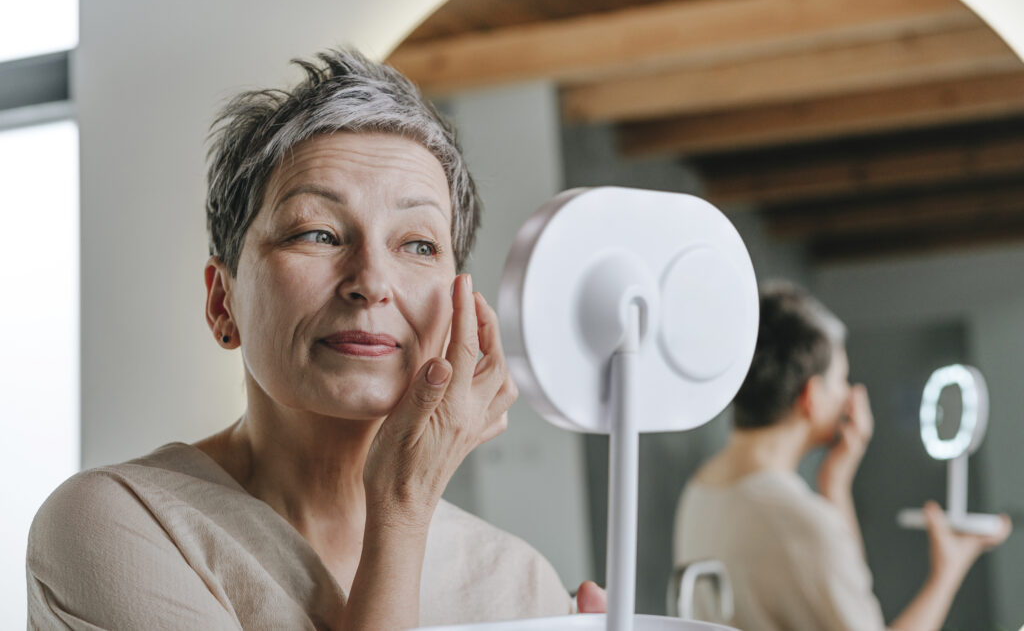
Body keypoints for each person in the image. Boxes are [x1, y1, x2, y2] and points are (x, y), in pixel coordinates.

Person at [27, 49, 605, 629]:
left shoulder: (521, 584)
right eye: (318, 233)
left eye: (418, 245)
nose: (373, 282)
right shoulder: (117, 525)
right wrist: (400, 512)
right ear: (222, 301)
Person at [672, 281, 1011, 631]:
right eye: (842, 381)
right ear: (812, 396)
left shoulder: (700, 490)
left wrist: (835, 484)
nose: (850, 395)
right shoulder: (801, 522)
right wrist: (948, 572)